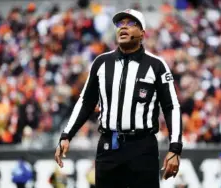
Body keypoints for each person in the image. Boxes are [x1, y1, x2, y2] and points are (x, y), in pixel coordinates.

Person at [55, 9, 183, 188]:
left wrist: (175, 148)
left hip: (143, 146)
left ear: (142, 33)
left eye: (131, 23)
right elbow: (86, 101)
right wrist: (67, 135)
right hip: (109, 146)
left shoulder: (156, 65)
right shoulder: (101, 63)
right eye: (120, 24)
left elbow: (171, 107)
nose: (123, 27)